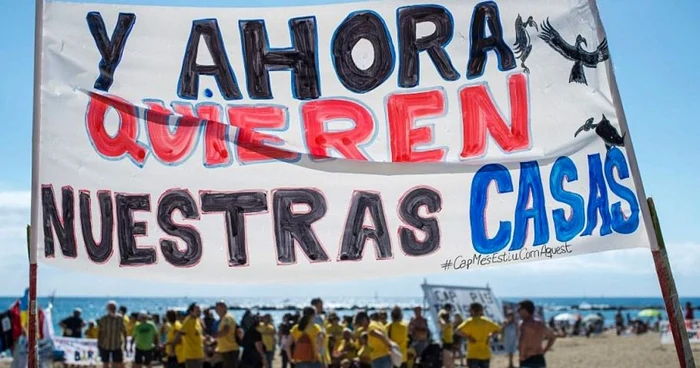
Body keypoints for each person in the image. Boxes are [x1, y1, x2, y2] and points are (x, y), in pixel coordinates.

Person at [455, 303, 501, 368]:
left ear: (471, 311)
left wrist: (468, 337)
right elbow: (499, 329)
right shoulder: (486, 321)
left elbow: (457, 330)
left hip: (472, 354)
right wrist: (490, 335)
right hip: (485, 353)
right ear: (481, 310)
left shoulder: (469, 321)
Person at [517, 300, 555, 368]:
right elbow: (552, 337)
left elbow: (522, 341)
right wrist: (545, 350)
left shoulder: (523, 324)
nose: (518, 311)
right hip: (539, 357)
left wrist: (521, 356)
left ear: (525, 310)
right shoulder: (540, 324)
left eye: (519, 309)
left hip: (527, 357)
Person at [97, 301, 128, 368]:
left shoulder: (120, 319)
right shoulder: (103, 319)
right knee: (105, 363)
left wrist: (125, 343)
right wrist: (99, 343)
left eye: (113, 308)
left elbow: (124, 331)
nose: (112, 309)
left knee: (116, 363)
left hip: (116, 344)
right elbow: (100, 332)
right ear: (107, 309)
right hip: (105, 344)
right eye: (110, 308)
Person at [175, 303, 205, 368]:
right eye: (197, 311)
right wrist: (173, 347)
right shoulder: (188, 321)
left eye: (199, 311)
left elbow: (198, 335)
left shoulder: (197, 320)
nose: (199, 312)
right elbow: (179, 334)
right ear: (191, 312)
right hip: (191, 355)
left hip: (199, 353)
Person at [213, 301, 240, 368]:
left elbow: (225, 330)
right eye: (216, 309)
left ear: (225, 308)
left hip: (230, 349)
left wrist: (214, 336)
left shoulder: (227, 318)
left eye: (219, 308)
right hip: (225, 349)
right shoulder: (223, 318)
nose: (217, 311)